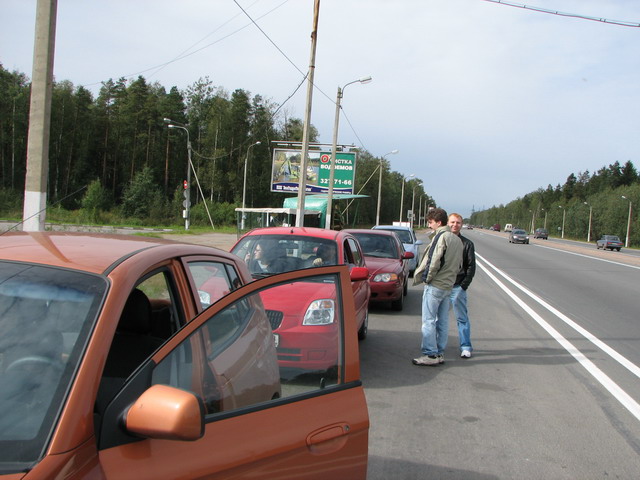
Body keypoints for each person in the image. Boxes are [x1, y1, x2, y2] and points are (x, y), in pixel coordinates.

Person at [412, 208, 463, 366]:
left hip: (436, 285)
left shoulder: (441, 237)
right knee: (442, 321)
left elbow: (433, 261)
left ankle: (430, 354)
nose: (429, 225)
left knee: (428, 321)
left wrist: (427, 279)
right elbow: (459, 265)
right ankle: (439, 353)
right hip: (448, 286)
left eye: (430, 222)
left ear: (438, 222)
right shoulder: (456, 239)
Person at [448, 213, 476, 358]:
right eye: (452, 222)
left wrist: (463, 286)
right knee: (438, 318)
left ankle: (465, 346)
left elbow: (471, 267)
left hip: (457, 287)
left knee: (462, 318)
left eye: (458, 222)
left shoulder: (467, 244)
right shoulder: (442, 240)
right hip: (442, 286)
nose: (455, 225)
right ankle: (436, 347)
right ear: (447, 223)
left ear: (461, 224)